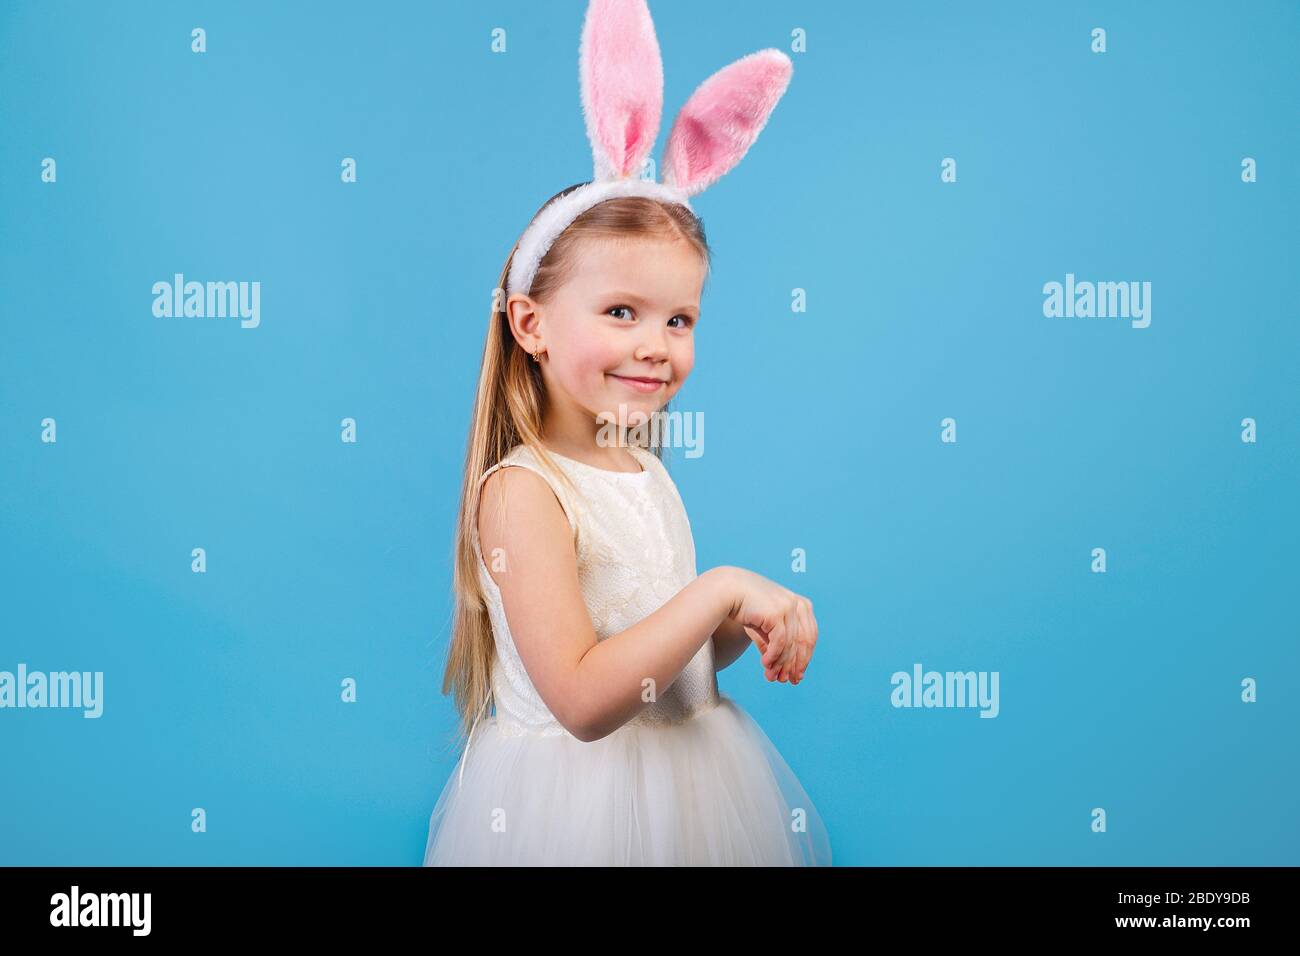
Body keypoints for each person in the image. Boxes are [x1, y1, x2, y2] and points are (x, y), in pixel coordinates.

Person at [424, 0, 830, 865]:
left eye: (680, 320)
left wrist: (743, 622)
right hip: (579, 816)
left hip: (691, 788)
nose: (657, 345)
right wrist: (718, 590)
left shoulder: (642, 470)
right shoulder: (525, 492)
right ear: (531, 325)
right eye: (621, 312)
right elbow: (582, 697)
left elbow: (671, 670)